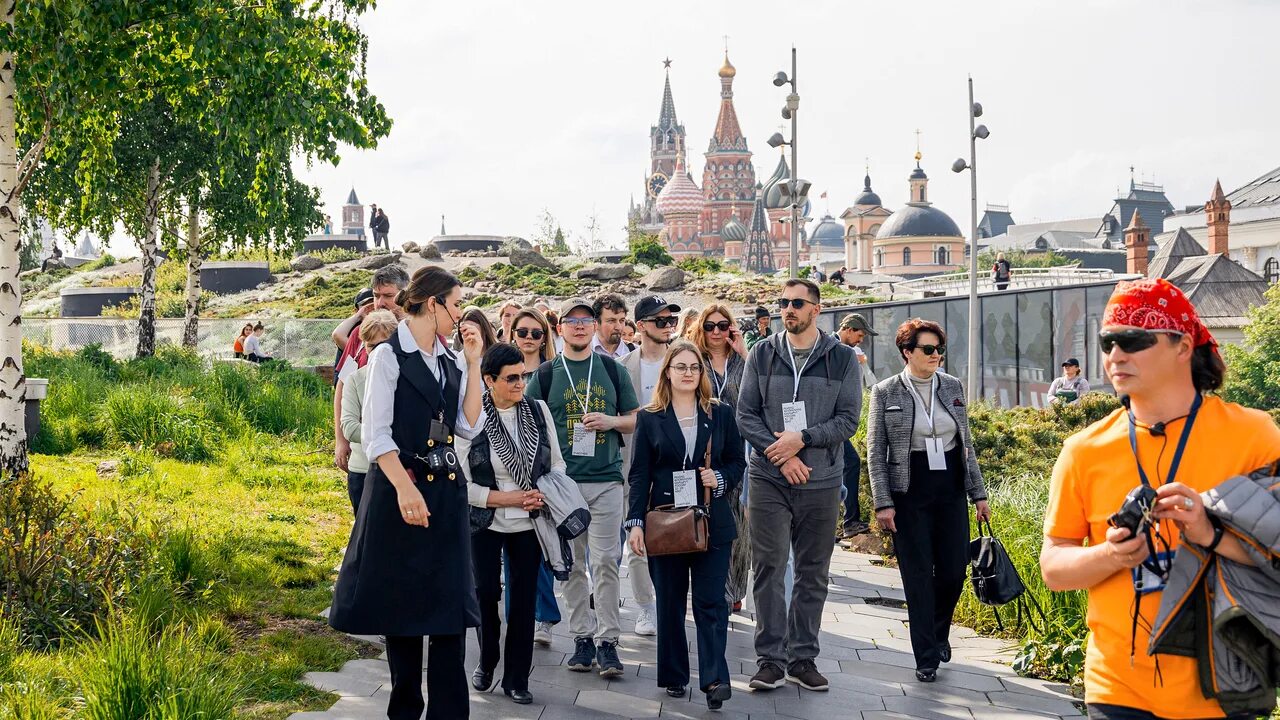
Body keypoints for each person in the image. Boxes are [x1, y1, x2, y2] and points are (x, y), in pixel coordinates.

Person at [1039, 277, 1280, 720]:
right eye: (1108, 341)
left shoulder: (1255, 435)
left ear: (1183, 346)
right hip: (1116, 690)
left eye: (1134, 340)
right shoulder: (1083, 450)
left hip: (1225, 689)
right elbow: (1053, 568)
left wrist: (1210, 533)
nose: (1116, 355)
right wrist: (1111, 556)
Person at [328, 265, 486, 720]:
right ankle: (405, 708)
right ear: (433, 303)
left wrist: (474, 365)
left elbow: (467, 426)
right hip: (400, 490)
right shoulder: (388, 357)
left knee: (450, 612)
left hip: (445, 494)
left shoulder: (453, 360)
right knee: (403, 611)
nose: (461, 316)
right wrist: (404, 490)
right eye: (455, 305)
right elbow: (377, 437)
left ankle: (450, 713)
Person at [736, 278, 861, 693]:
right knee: (769, 567)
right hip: (769, 477)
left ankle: (802, 657)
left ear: (816, 310)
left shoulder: (841, 358)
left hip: (822, 480)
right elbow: (746, 415)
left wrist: (802, 439)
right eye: (783, 302)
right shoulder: (762, 352)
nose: (787, 309)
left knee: (813, 572)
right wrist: (782, 453)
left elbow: (848, 420)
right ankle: (770, 660)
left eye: (796, 303)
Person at [867, 318, 991, 683]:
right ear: (908, 353)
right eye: (928, 349)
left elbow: (966, 445)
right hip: (910, 491)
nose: (936, 355)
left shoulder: (952, 386)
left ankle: (939, 633)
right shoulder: (887, 392)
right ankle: (926, 656)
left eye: (939, 349)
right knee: (918, 575)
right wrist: (882, 502)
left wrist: (978, 494)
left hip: (950, 485)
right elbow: (875, 451)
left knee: (954, 570)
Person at [626, 340, 746, 710]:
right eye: (681, 367)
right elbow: (639, 474)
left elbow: (736, 461)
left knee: (712, 603)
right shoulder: (649, 417)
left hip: (712, 523)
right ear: (668, 372)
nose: (688, 373)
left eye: (694, 367)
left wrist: (720, 480)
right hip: (665, 523)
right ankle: (675, 675)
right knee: (671, 603)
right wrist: (634, 524)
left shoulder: (721, 413)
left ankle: (715, 679)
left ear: (702, 372)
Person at [524, 297, 639, 680]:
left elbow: (636, 419)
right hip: (562, 487)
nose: (578, 326)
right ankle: (582, 637)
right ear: (560, 329)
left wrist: (610, 420)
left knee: (606, 561)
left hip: (606, 479)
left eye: (585, 321)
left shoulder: (611, 368)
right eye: (571, 321)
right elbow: (527, 426)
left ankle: (608, 641)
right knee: (570, 565)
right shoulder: (545, 374)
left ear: (594, 327)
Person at [462, 343, 564, 706]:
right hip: (485, 521)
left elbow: (557, 464)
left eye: (524, 376)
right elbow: (462, 484)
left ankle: (517, 677)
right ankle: (488, 659)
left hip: (530, 522)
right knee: (485, 593)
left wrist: (544, 492)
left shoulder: (537, 411)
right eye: (512, 378)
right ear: (489, 380)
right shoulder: (472, 418)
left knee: (522, 601)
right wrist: (504, 498)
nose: (521, 383)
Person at [619, 295, 682, 638]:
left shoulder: (685, 361)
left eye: (671, 320)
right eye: (660, 321)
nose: (668, 326)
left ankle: (672, 601)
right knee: (637, 537)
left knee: (679, 536)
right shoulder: (623, 366)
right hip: (635, 467)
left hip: (678, 468)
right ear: (641, 325)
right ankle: (646, 606)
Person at [688, 303, 751, 611]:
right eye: (710, 326)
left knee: (738, 522)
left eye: (723, 326)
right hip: (703, 447)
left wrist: (744, 350)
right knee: (703, 516)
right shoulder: (695, 361)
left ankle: (734, 588)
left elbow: (761, 391)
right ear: (701, 329)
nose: (716, 332)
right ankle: (710, 587)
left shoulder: (742, 361)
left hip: (737, 449)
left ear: (731, 328)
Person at [506, 306, 562, 647]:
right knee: (513, 551)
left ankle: (544, 615)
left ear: (545, 336)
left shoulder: (553, 372)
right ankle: (522, 617)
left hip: (542, 470)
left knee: (541, 545)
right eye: (522, 332)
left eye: (535, 333)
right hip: (507, 469)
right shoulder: (500, 366)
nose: (528, 338)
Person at [333, 266, 410, 473]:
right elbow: (342, 385)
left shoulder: (417, 333)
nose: (380, 302)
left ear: (404, 295)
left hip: (408, 454)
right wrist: (341, 440)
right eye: (376, 295)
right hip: (365, 456)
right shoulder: (361, 334)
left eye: (388, 296)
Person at [339, 310, 399, 513]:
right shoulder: (356, 379)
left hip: (400, 472)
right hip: (363, 470)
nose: (378, 352)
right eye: (371, 345)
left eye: (385, 345)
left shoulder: (407, 378)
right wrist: (388, 431)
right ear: (364, 345)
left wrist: (370, 426)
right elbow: (349, 427)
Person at [837, 313, 878, 538]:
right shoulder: (833, 347)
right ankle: (849, 521)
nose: (860, 341)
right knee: (849, 463)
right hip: (827, 424)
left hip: (834, 423)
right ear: (849, 329)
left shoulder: (844, 350)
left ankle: (844, 521)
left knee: (842, 466)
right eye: (860, 335)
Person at [591, 294, 631, 359]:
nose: (618, 327)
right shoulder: (582, 353)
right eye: (611, 321)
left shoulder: (634, 352)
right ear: (596, 324)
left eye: (622, 320)